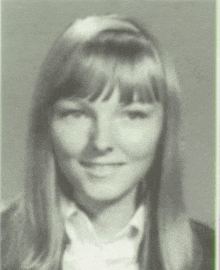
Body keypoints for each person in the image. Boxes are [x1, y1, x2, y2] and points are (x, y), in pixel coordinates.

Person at [1, 14, 214, 270]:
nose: (101, 142)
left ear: (164, 128)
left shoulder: (208, 254)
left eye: (133, 115)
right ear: (47, 124)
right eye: (76, 113)